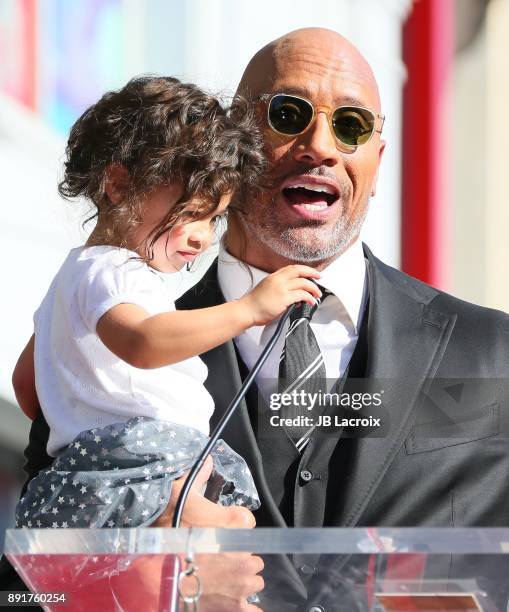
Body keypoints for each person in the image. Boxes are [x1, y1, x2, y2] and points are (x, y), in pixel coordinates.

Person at [6, 27, 509, 610]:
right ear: (233, 142)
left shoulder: (492, 352)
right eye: (289, 114)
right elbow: (18, 592)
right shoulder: (104, 357)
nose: (321, 145)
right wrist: (141, 585)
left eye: (351, 125)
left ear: (377, 156)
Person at [11, 75, 323, 532]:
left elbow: (27, 384)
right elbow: (142, 342)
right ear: (119, 185)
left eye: (214, 218)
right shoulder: (112, 272)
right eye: (191, 212)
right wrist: (248, 309)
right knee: (232, 542)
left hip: (124, 464)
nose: (202, 236)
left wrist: (78, 411)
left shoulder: (76, 277)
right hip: (143, 459)